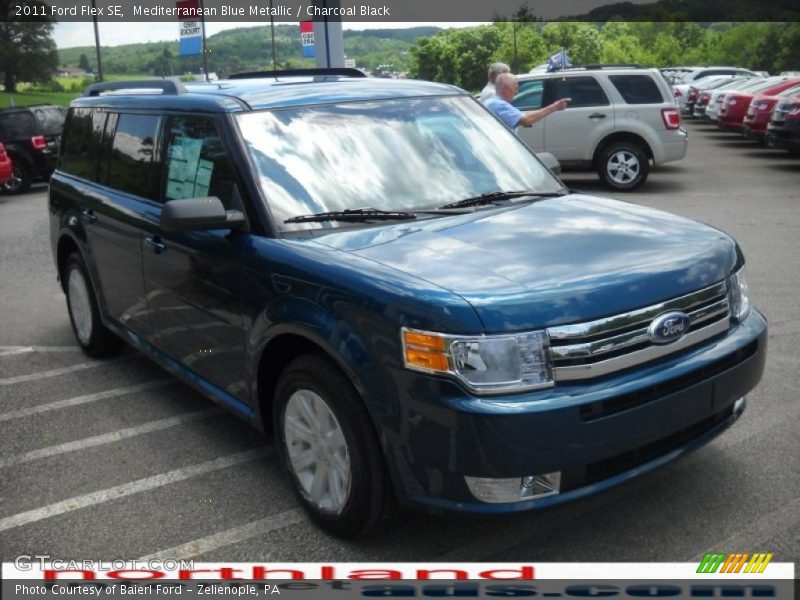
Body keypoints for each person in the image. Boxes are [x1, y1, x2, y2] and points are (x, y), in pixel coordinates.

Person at [485, 73, 569, 130]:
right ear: (506, 88)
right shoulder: (498, 105)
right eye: (516, 88)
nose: (517, 92)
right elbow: (526, 120)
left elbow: (524, 117)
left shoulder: (490, 102)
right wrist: (554, 107)